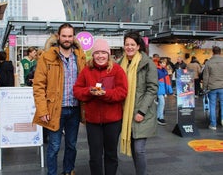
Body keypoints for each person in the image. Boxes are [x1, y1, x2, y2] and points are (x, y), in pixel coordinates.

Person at [32, 23, 86, 175]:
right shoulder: (47, 57)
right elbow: (38, 86)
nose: (67, 39)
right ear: (58, 36)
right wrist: (42, 110)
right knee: (54, 146)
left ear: (73, 38)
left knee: (71, 145)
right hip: (55, 109)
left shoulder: (80, 57)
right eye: (64, 36)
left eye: (70, 36)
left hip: (74, 109)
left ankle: (68, 171)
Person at [73, 39, 128, 175]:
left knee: (111, 154)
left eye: (103, 52)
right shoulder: (86, 70)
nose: (100, 56)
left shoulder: (117, 70)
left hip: (113, 121)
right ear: (93, 54)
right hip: (93, 122)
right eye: (97, 52)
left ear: (108, 54)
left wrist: (106, 93)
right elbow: (77, 90)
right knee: (95, 156)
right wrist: (89, 91)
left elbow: (122, 92)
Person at [119, 32, 158, 175]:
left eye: (132, 44)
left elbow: (152, 88)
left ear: (138, 46)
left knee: (139, 149)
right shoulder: (119, 63)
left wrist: (141, 111)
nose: (129, 47)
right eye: (127, 44)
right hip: (125, 112)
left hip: (142, 112)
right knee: (135, 147)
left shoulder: (147, 63)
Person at [0, 50, 15, 140]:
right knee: (7, 111)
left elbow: (0, 79)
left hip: (0, 90)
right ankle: (8, 129)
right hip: (9, 90)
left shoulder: (0, 67)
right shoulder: (10, 66)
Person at [203, 46, 223, 130]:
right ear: (220, 52)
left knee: (212, 105)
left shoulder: (208, 62)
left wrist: (204, 88)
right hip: (222, 86)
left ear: (213, 52)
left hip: (212, 87)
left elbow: (206, 77)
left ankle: (213, 124)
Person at [156, 59, 173, 125]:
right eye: (162, 63)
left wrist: (169, 90)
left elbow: (168, 81)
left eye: (164, 63)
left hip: (162, 89)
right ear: (159, 63)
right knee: (162, 103)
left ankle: (159, 117)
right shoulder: (158, 70)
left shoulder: (165, 70)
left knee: (161, 103)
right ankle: (160, 117)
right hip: (160, 89)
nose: (163, 64)